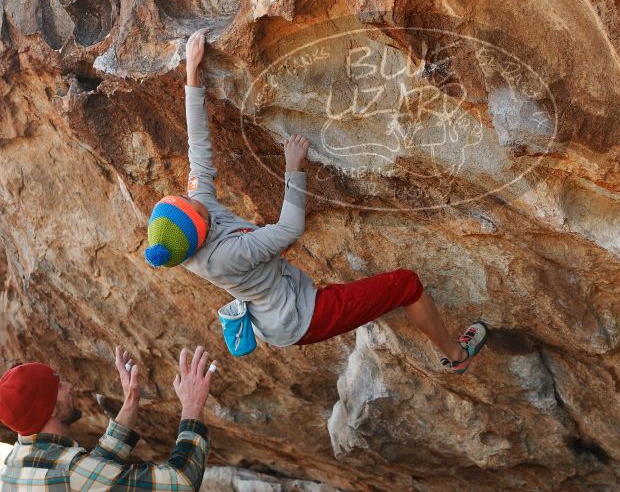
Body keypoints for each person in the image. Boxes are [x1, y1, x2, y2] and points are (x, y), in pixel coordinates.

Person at [143, 29, 488, 373]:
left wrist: (192, 73)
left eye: (189, 201)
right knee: (406, 284)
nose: (198, 200)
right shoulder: (223, 257)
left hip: (285, 299)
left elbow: (198, 148)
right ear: (199, 234)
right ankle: (456, 357)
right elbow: (290, 229)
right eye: (198, 209)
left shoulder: (191, 222)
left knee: (385, 292)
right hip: (303, 318)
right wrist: (293, 170)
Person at [0, 345, 216, 491]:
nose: (70, 387)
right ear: (51, 409)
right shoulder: (71, 472)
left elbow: (92, 472)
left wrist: (131, 398)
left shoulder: (12, 466)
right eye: (59, 386)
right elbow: (181, 482)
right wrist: (192, 406)